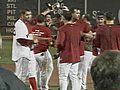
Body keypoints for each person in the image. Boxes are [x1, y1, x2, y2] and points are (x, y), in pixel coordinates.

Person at [12, 9, 37, 90]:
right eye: (27, 15)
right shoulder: (20, 25)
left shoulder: (23, 24)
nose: (29, 16)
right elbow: (21, 40)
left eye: (30, 14)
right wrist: (33, 41)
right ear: (22, 15)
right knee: (21, 75)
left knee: (21, 75)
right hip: (21, 53)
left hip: (23, 53)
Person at [55, 11, 81, 90]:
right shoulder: (77, 28)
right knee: (74, 76)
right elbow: (79, 41)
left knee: (63, 77)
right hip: (76, 55)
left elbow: (60, 43)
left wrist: (58, 51)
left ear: (63, 18)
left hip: (66, 54)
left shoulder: (62, 29)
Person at [32, 14, 53, 90]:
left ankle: (34, 87)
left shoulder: (32, 28)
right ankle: (44, 87)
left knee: (34, 71)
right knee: (45, 71)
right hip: (42, 53)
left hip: (33, 52)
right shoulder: (46, 29)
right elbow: (50, 42)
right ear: (44, 21)